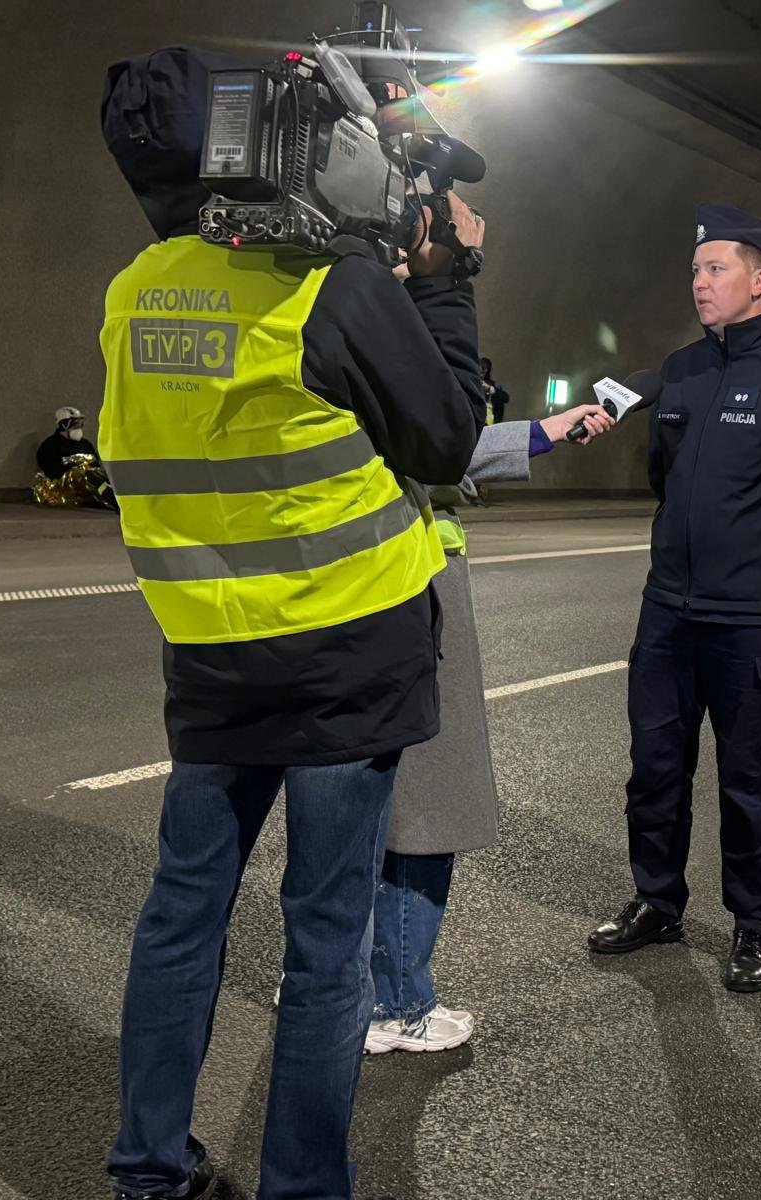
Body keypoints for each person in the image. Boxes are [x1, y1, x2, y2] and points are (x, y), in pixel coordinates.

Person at [97, 47, 484, 1200]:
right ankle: (304, 1186)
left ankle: (149, 1172)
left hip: (213, 656)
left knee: (181, 917)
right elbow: (448, 438)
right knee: (325, 943)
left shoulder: (135, 289)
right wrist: (439, 277)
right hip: (346, 660)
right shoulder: (331, 288)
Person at [588, 203, 761, 993]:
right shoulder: (681, 369)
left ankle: (752, 925)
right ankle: (657, 902)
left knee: (749, 783)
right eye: (695, 271)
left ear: (760, 279)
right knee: (654, 769)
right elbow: (664, 478)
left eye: (715, 269)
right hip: (669, 611)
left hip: (750, 620)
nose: (700, 283)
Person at [359, 400, 617, 1052]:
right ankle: (395, 1004)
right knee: (426, 798)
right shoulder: (381, 347)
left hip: (331, 585)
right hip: (411, 577)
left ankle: (328, 977)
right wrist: (538, 434)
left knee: (346, 795)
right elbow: (434, 445)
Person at [33, 406, 117, 509]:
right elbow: (51, 472)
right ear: (63, 424)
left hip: (89, 484)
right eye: (74, 423)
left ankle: (112, 496)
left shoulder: (85, 444)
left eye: (80, 423)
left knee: (99, 474)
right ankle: (111, 498)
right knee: (84, 474)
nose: (78, 426)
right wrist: (74, 467)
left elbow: (96, 466)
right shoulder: (50, 446)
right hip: (62, 488)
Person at [480, 356, 510, 425]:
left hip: (491, 421)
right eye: (480, 372)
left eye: (484, 372)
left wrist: (490, 389)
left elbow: (506, 398)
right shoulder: (471, 383)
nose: (481, 375)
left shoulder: (493, 385)